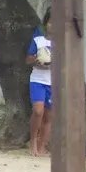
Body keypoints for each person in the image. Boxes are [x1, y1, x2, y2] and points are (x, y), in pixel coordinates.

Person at [26, 9, 53, 157]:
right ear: (46, 23)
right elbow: (28, 59)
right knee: (38, 111)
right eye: (51, 22)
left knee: (49, 116)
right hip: (38, 80)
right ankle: (33, 143)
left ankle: (42, 146)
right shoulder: (38, 40)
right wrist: (36, 60)